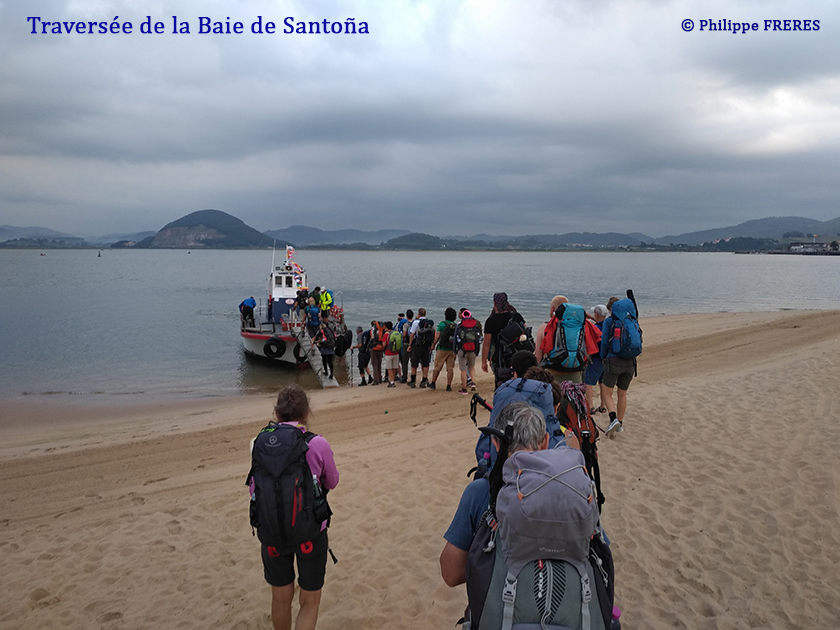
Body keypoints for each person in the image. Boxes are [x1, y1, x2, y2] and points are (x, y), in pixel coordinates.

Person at [440, 402, 569, 586]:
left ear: (495, 443)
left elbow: (451, 574)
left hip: (498, 610)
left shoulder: (480, 492)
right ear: (546, 442)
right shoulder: (573, 488)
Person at [258, 385, 339, 630]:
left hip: (271, 529)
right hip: (310, 531)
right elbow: (332, 482)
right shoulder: (318, 443)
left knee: (281, 597)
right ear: (307, 412)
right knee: (310, 599)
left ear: (276, 412)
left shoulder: (260, 442)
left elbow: (254, 488)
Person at [600, 298, 637, 437]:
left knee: (607, 393)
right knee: (622, 394)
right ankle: (620, 424)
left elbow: (604, 342)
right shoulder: (632, 320)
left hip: (613, 361)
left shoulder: (609, 322)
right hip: (630, 362)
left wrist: (603, 357)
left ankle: (612, 418)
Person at [481, 292, 527, 388]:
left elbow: (486, 343)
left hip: (500, 358)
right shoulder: (516, 316)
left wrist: (484, 361)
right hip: (518, 355)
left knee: (501, 385)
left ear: (495, 304)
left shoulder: (491, 321)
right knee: (519, 383)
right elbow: (525, 333)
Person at [585, 305, 608, 414]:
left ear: (596, 314)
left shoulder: (596, 328)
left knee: (588, 381)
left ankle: (590, 406)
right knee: (602, 381)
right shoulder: (608, 325)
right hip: (607, 358)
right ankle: (603, 406)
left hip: (597, 357)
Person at [429, 307, 457, 391]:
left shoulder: (442, 324)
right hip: (452, 349)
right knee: (450, 368)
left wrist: (433, 345)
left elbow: (437, 336)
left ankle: (433, 383)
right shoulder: (455, 326)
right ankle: (448, 386)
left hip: (442, 348)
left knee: (437, 366)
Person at [454, 308, 482, 394]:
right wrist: (477, 350)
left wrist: (454, 350)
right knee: (472, 367)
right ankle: (473, 383)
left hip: (462, 350)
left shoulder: (460, 325)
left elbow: (456, 338)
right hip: (473, 349)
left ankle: (464, 388)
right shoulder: (475, 324)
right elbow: (479, 338)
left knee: (463, 369)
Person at [407, 308, 433, 388]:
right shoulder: (429, 323)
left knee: (414, 363)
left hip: (417, 345)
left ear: (418, 314)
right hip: (426, 346)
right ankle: (424, 379)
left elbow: (412, 334)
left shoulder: (416, 322)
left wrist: (410, 345)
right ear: (425, 314)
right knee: (425, 363)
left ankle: (413, 380)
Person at [382, 321, 401, 387]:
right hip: (396, 352)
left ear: (386, 328)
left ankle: (392, 381)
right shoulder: (395, 333)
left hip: (388, 353)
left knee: (389, 368)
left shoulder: (386, 334)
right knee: (394, 367)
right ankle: (393, 379)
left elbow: (384, 344)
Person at [367, 320, 386, 385]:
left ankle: (376, 379)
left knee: (374, 364)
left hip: (374, 348)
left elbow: (370, 339)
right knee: (379, 363)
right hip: (381, 347)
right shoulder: (382, 329)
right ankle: (380, 378)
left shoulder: (372, 331)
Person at [399, 309, 414, 383]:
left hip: (406, 344)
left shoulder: (406, 324)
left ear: (407, 316)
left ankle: (404, 377)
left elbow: (404, 335)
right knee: (413, 361)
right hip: (413, 344)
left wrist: (402, 338)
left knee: (405, 361)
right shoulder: (415, 323)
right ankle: (413, 375)